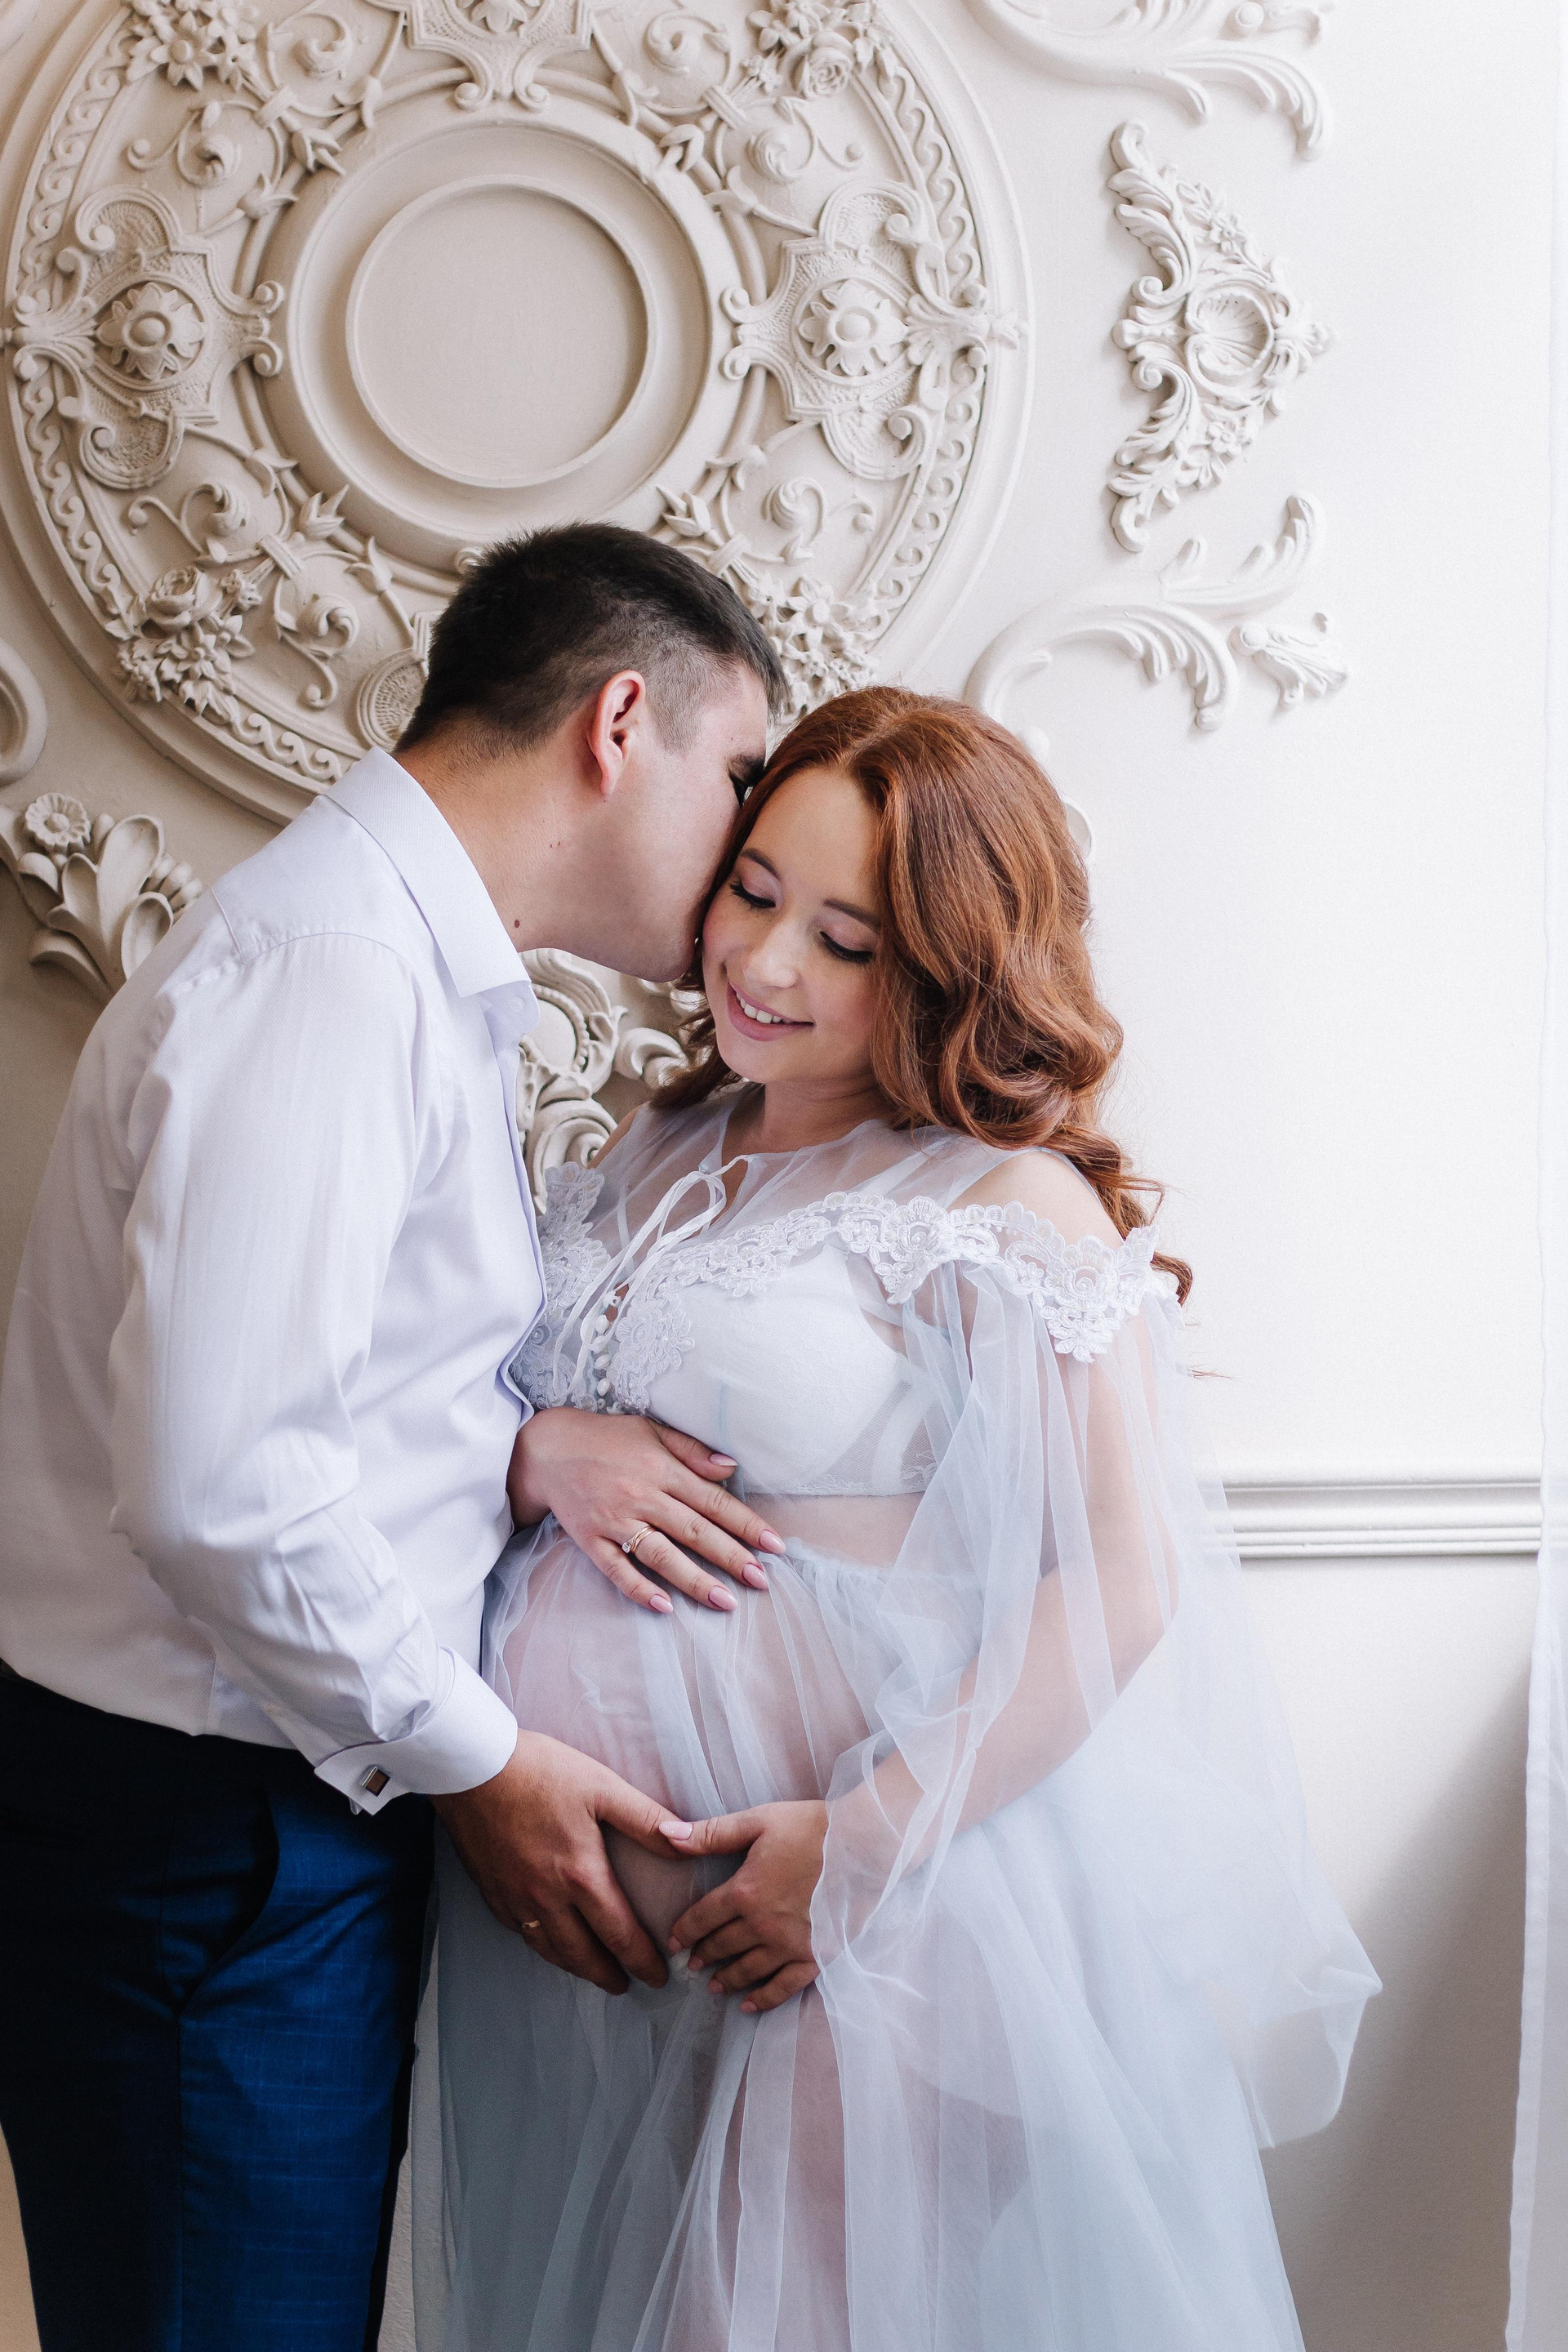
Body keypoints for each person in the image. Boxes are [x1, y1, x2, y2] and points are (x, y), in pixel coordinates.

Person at [430, 687, 1381, 2352]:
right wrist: (539, 1452)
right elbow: (480, 1410)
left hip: (900, 1904)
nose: (766, 961)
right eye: (754, 891)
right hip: (609, 1936)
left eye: (847, 940)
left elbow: (1121, 1576)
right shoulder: (653, 1143)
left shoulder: (1000, 1201)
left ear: (947, 969)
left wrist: (859, 1846)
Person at [0, 523, 791, 2352]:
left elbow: (314, 1379)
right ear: (619, 724)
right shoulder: (340, 968)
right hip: (212, 1839)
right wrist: (483, 1765)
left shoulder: (407, 963)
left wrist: (514, 1448)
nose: (750, 845)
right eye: (741, 773)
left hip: (252, 1813)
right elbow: (219, 1485)